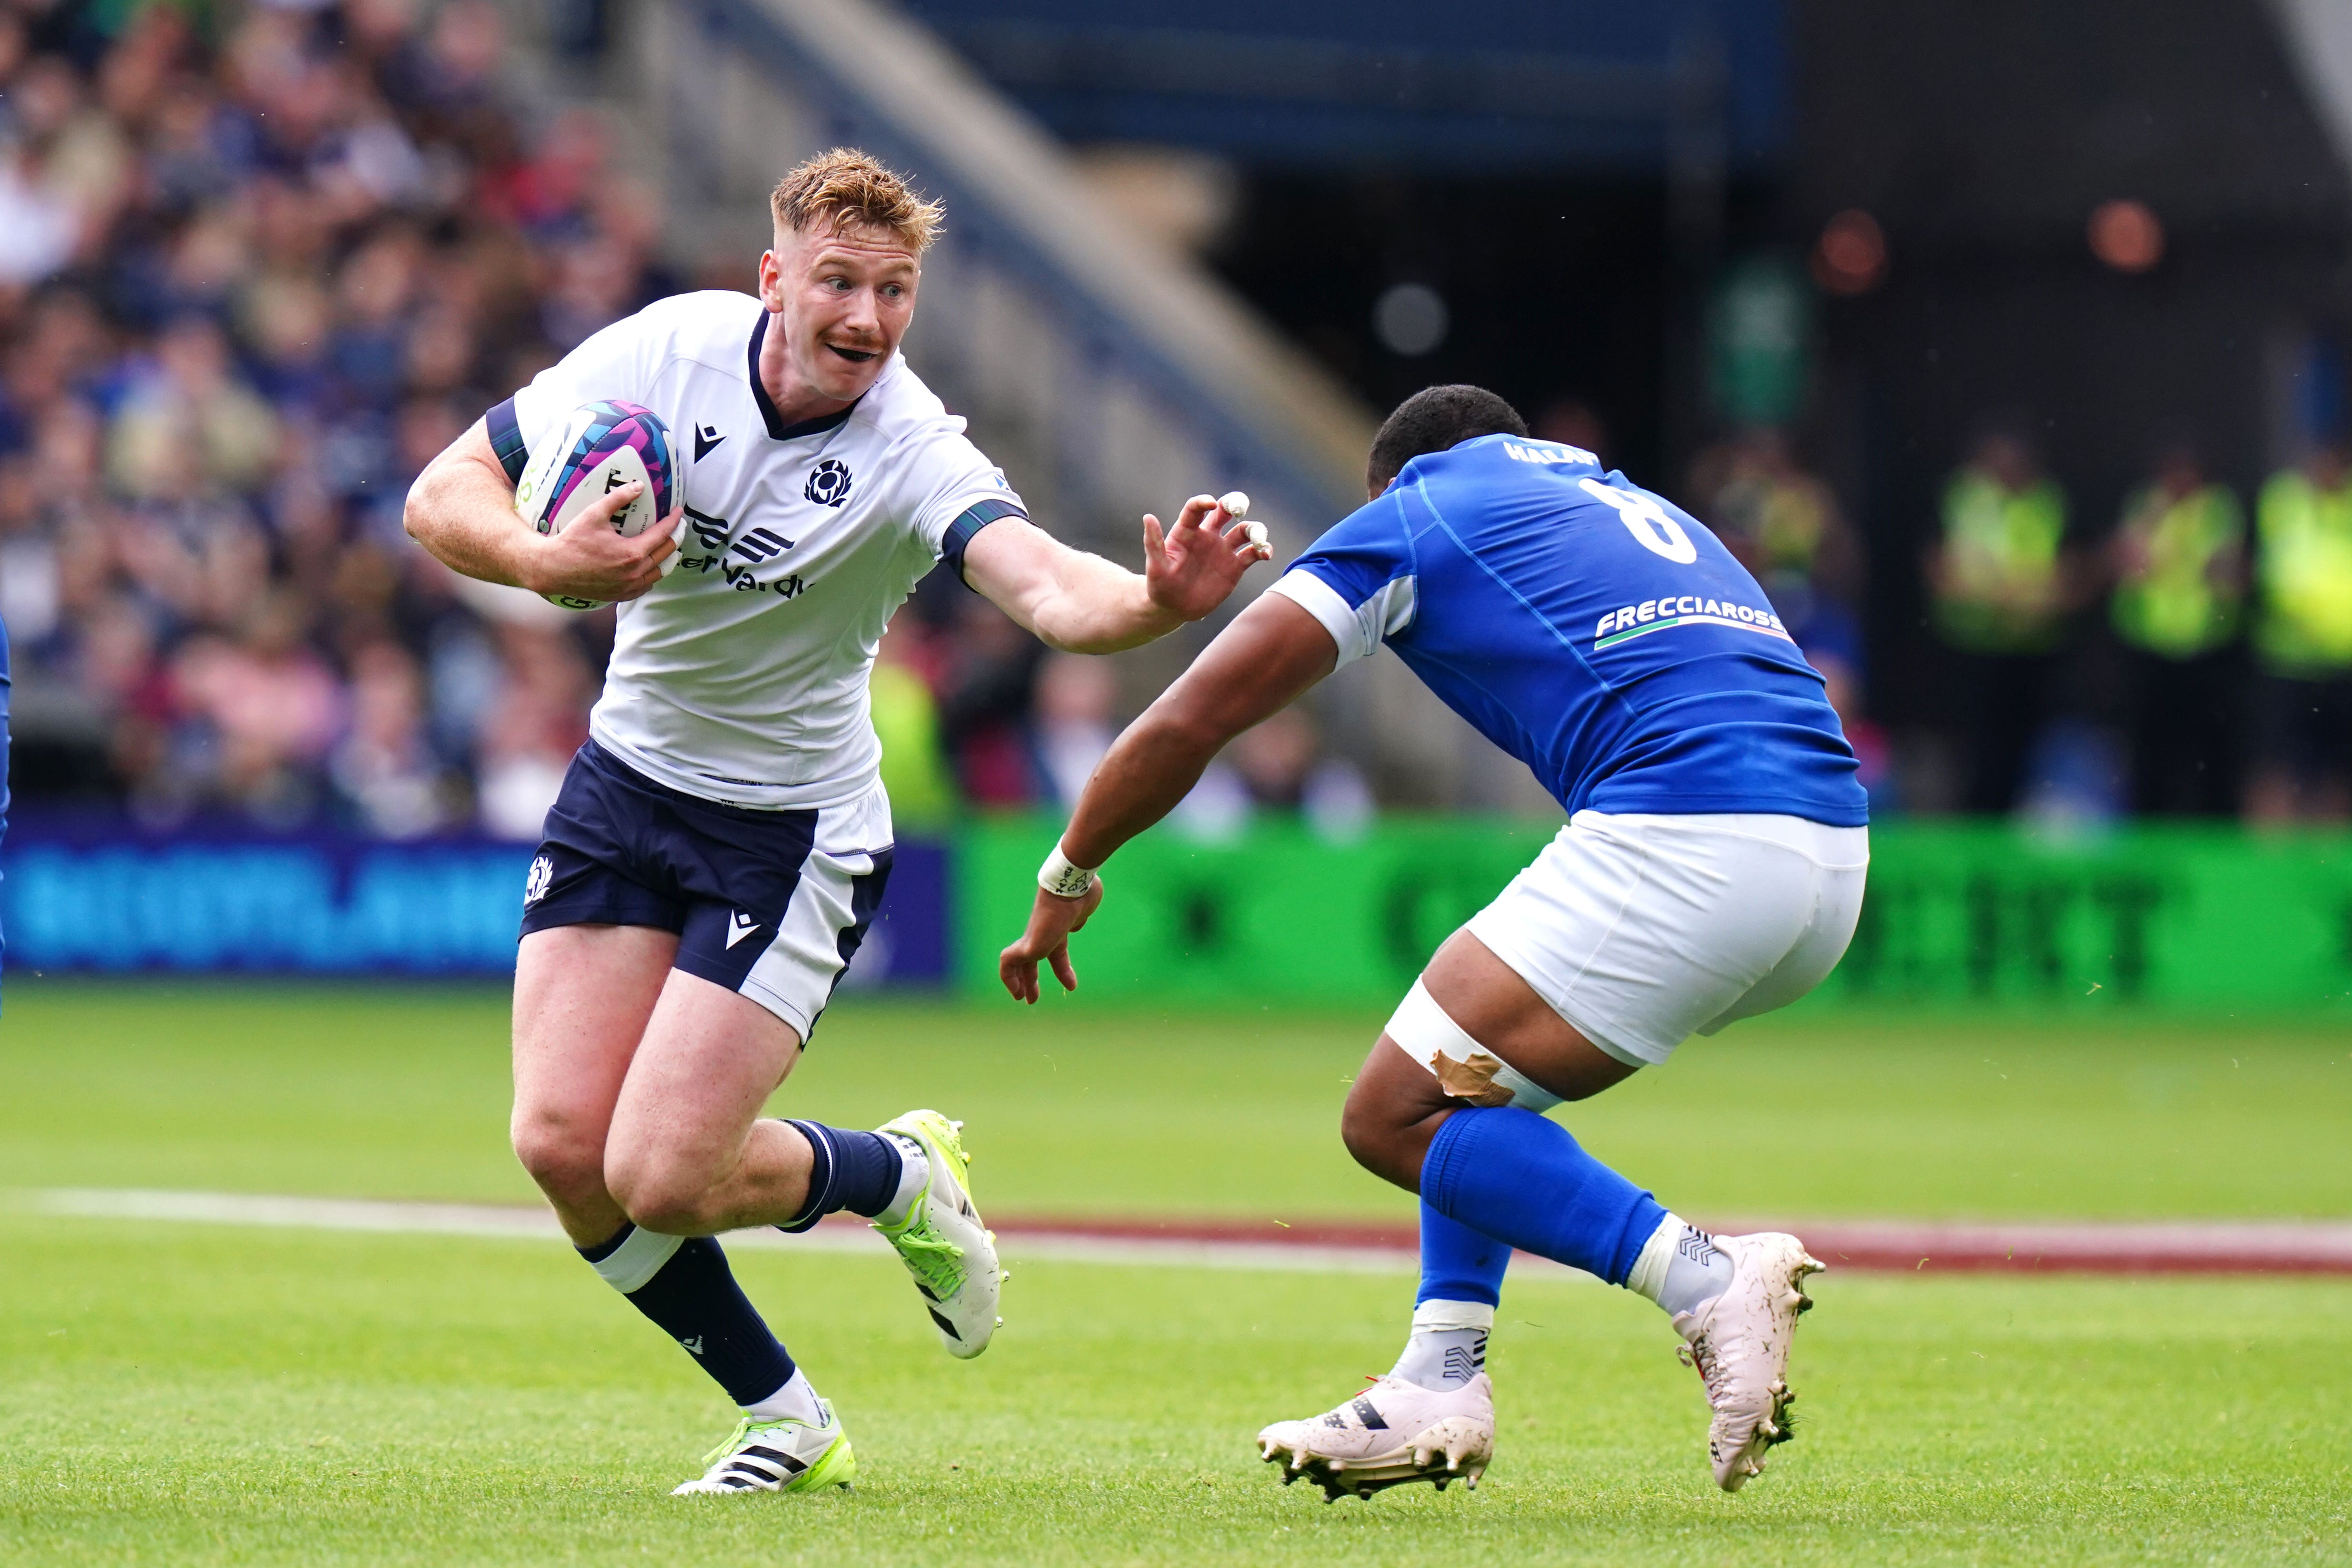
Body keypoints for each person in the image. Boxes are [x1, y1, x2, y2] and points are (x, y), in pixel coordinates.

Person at [404, 149, 1270, 1497]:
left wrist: (1158, 602)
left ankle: (895, 1175)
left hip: (789, 833)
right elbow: (441, 493)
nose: (866, 317)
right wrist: (540, 560)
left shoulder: (910, 446)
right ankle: (789, 1421)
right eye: (839, 284)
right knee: (564, 1148)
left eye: (895, 289)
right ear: (772, 282)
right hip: (623, 786)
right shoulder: (664, 352)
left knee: (666, 1176)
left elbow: (1049, 589)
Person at [1001, 386, 1869, 1497]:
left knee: (1390, 1114)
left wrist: (1069, 868)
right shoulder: (1617, 497)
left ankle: (1703, 1275)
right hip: (1832, 856)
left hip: (1689, 830)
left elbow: (1189, 718)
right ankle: (1438, 1373)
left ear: (1396, 475)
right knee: (1463, 1077)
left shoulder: (1416, 512)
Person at [1926, 427, 2082, 812]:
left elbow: (2071, 575)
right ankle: (1973, 822)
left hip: (2031, 646)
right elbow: (1943, 571)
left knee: (2027, 748)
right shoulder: (1964, 499)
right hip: (1973, 643)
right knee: (1975, 751)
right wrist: (2009, 593)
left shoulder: (2047, 502)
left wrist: (2025, 595)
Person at [2106, 437, 2244, 815]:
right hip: (2149, 646)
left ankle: (2214, 836)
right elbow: (2126, 564)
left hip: (2207, 647)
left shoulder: (2217, 508)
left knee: (2211, 756)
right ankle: (2148, 834)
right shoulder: (2143, 506)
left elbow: (2230, 572)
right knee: (2149, 754)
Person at [2246, 440, 2352, 822]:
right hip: (2289, 662)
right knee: (2280, 764)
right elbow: (2272, 572)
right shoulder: (2282, 503)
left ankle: (2335, 859)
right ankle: (2274, 855)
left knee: (2339, 769)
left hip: (2342, 662)